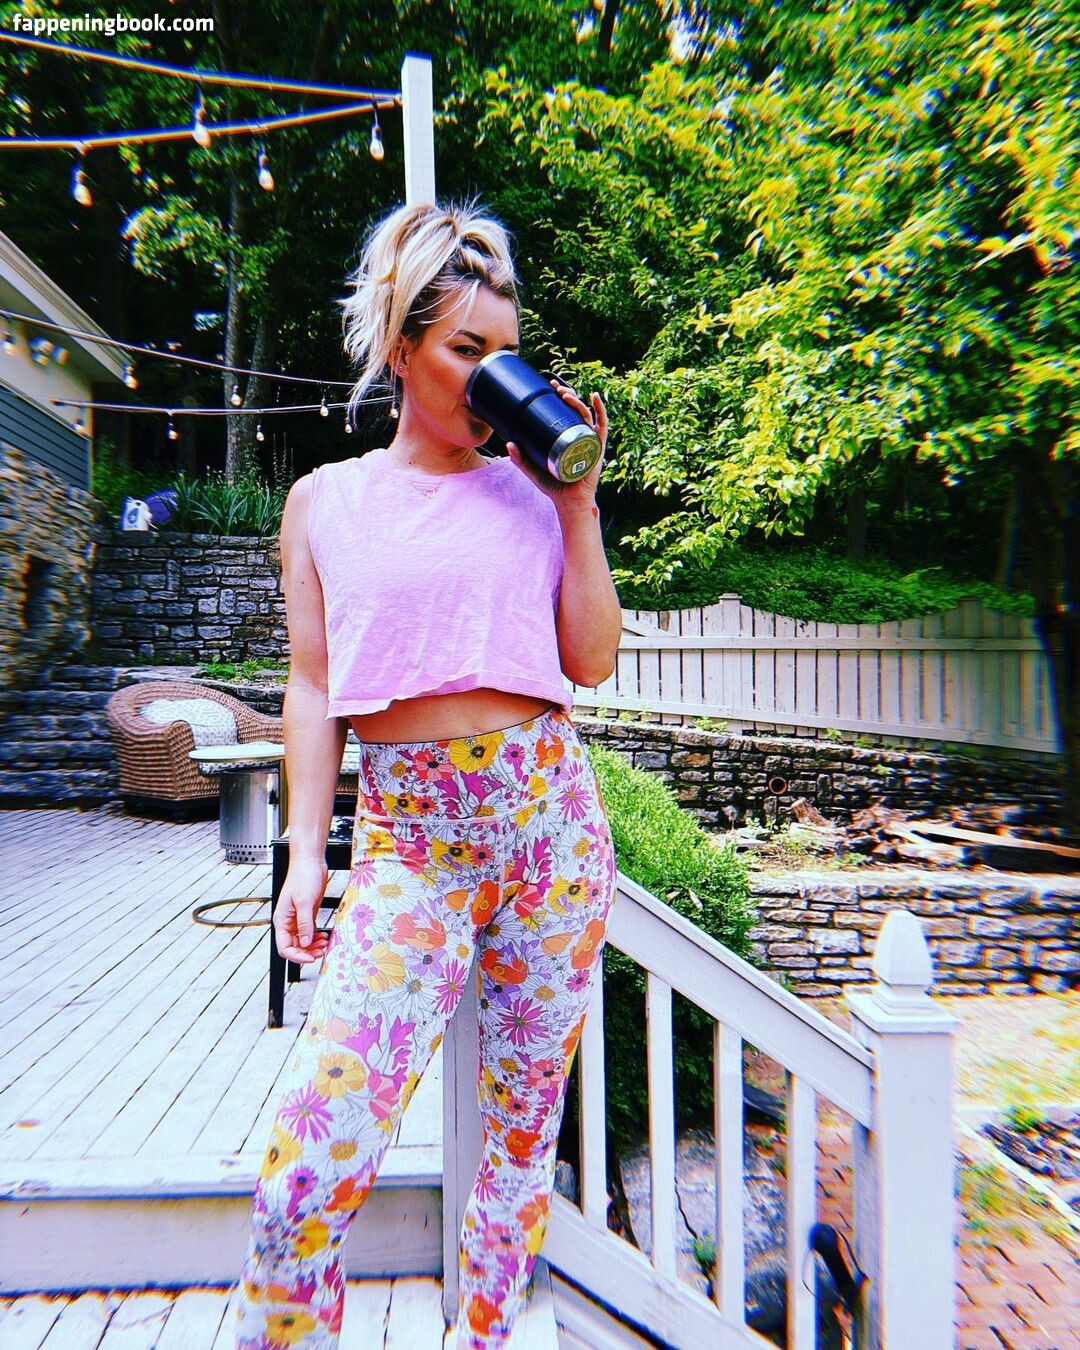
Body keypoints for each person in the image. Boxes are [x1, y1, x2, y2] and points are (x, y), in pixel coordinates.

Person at [234, 198, 623, 1349]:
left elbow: (592, 660)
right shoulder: (326, 502)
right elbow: (314, 687)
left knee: (518, 1154)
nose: (494, 379)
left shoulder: (533, 496)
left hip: (551, 839)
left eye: (509, 354)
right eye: (467, 350)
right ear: (402, 347)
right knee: (302, 1173)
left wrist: (578, 506)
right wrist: (304, 855)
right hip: (412, 850)